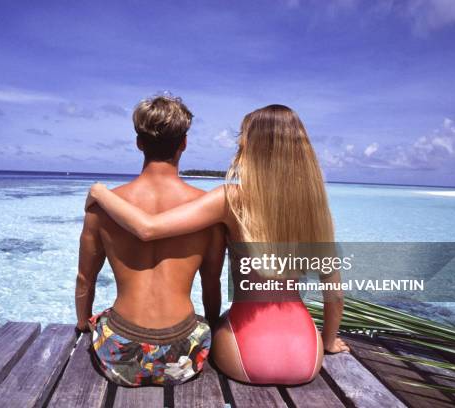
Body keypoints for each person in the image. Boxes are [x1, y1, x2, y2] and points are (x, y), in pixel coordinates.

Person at [85, 104, 350, 385]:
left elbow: (148, 228)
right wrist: (330, 342)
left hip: (244, 350)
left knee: (213, 324)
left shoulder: (232, 199)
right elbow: (334, 296)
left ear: (251, 148)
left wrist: (101, 192)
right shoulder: (315, 210)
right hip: (306, 355)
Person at [75, 95, 226, 387]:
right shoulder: (208, 210)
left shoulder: (103, 206)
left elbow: (85, 279)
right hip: (184, 357)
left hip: (118, 356)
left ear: (139, 143)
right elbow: (211, 284)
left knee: (103, 320)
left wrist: (83, 324)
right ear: (183, 143)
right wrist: (213, 331)